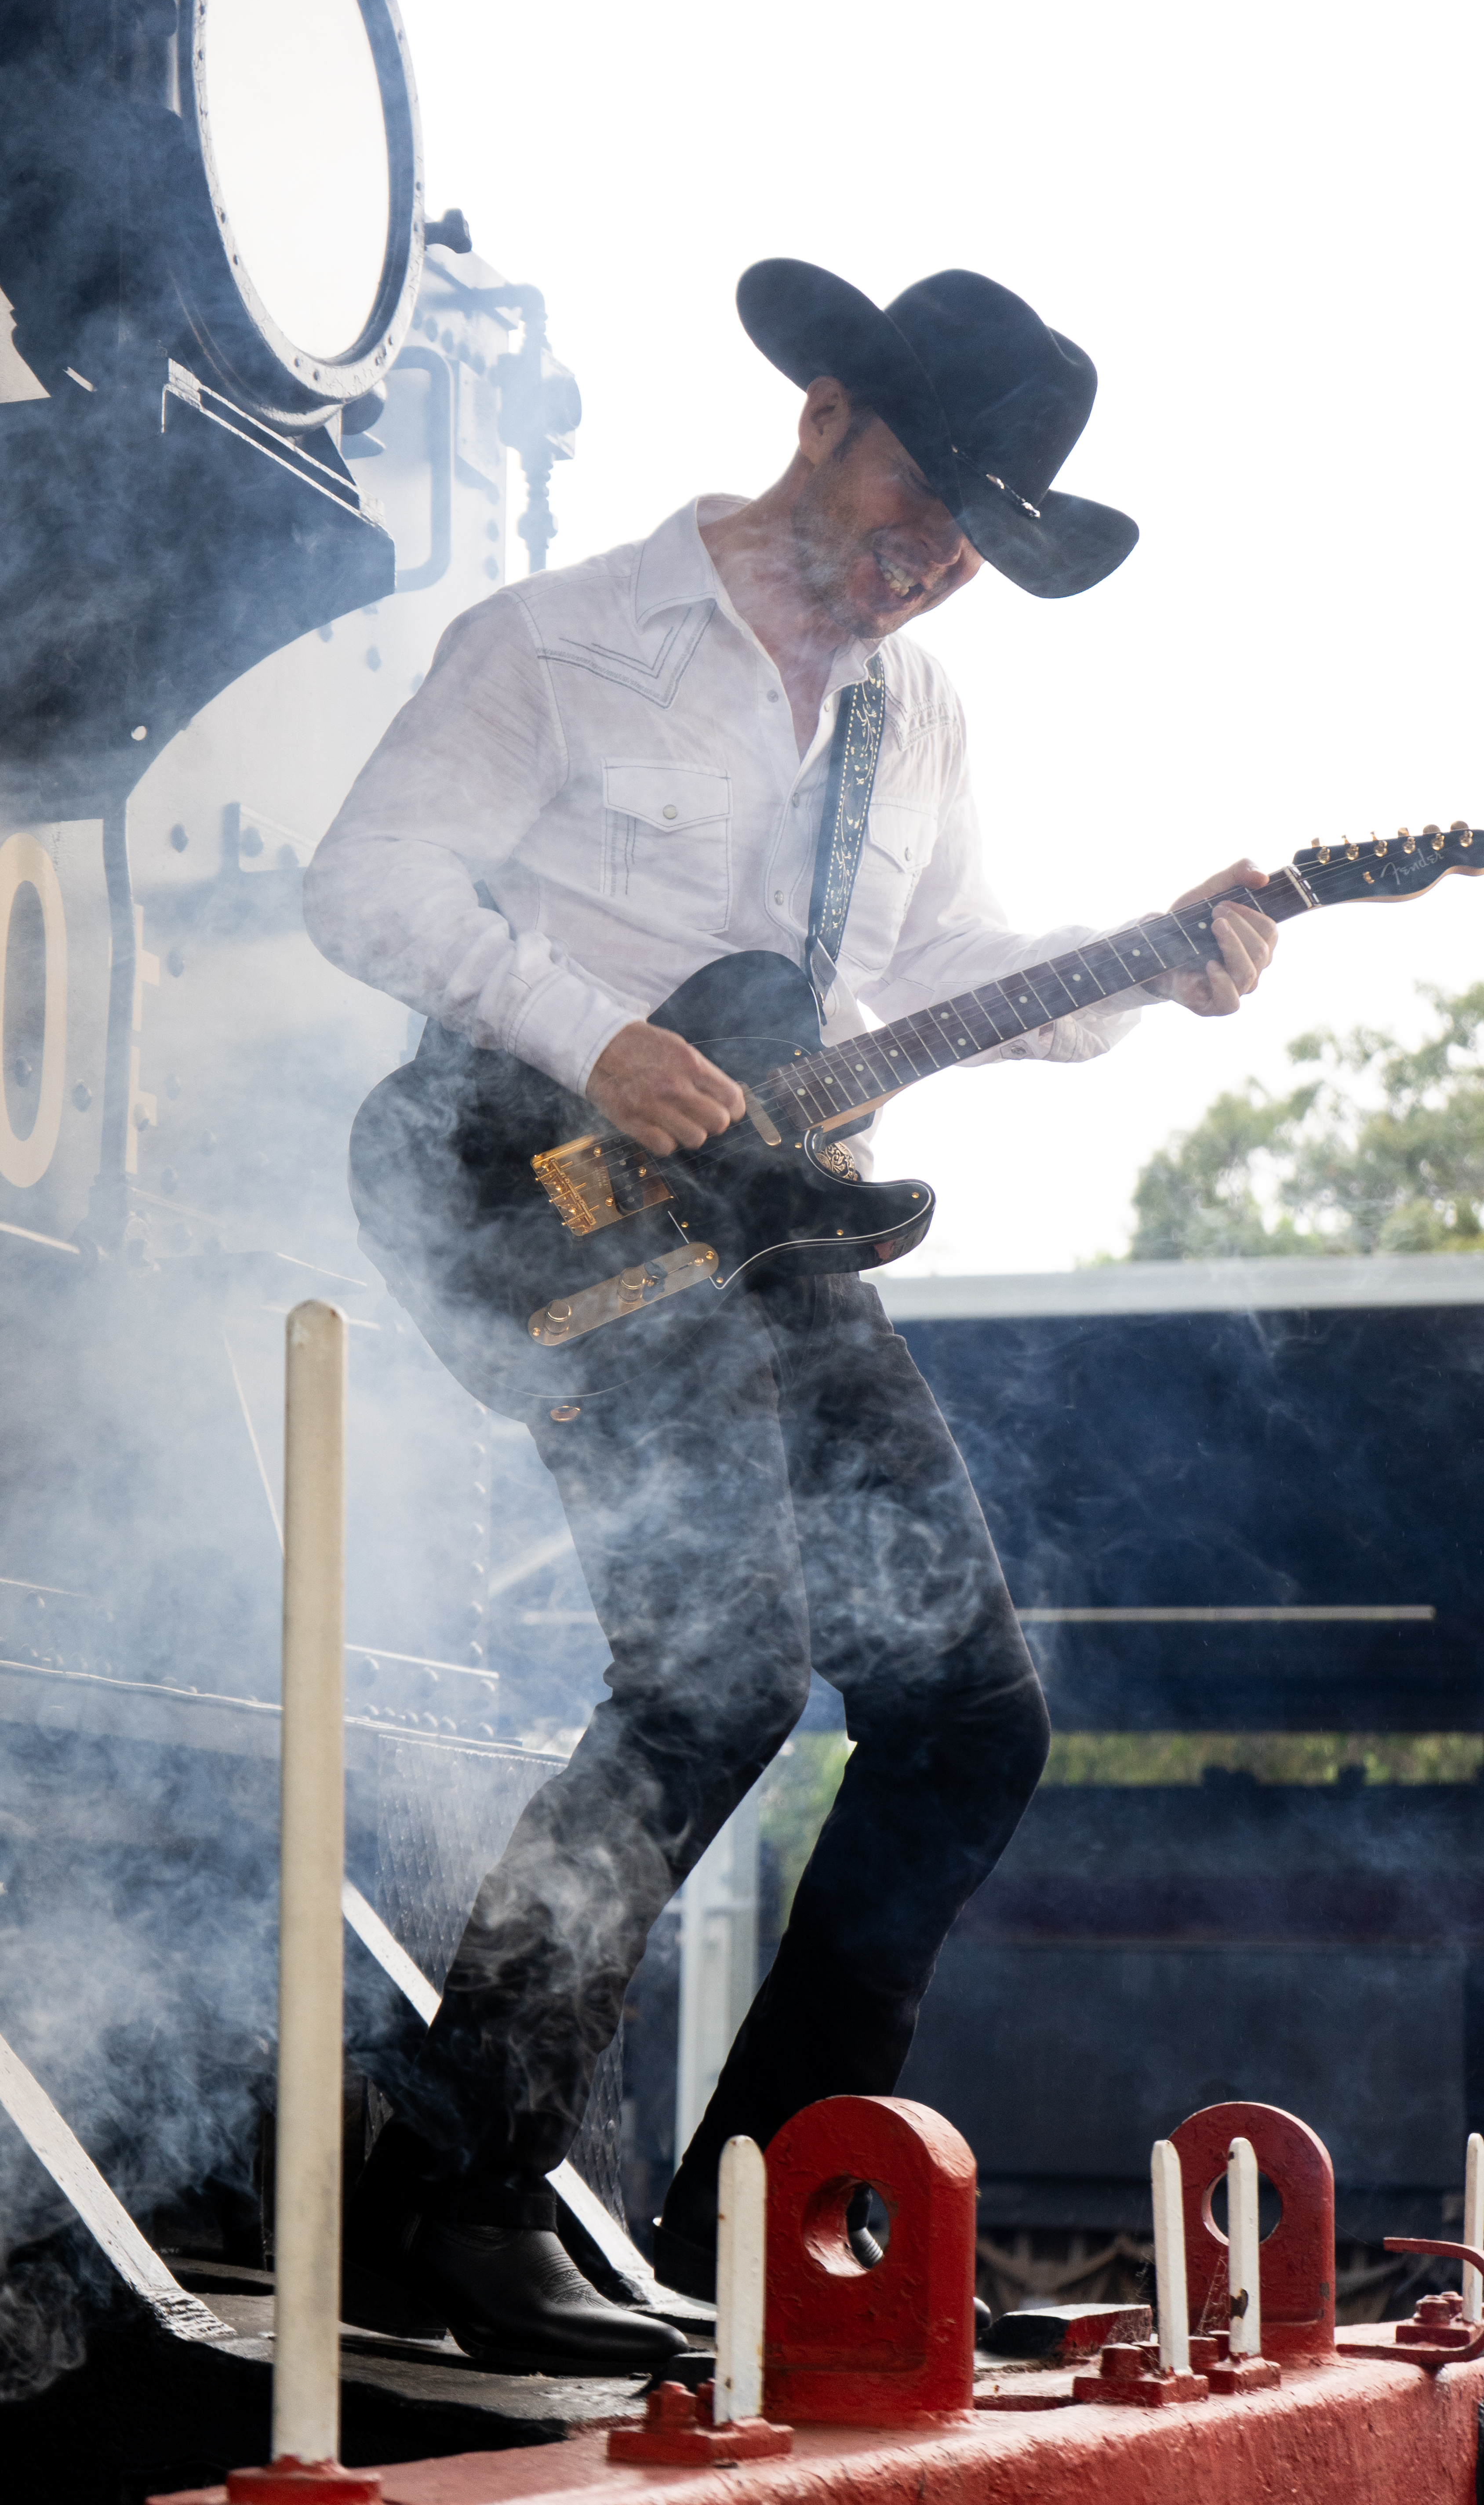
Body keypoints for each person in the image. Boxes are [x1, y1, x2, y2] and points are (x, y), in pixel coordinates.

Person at [304, 260, 1279, 2372]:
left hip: (778, 1230)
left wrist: (1148, 964)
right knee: (716, 1673)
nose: (930, 570)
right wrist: (594, 1038)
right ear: (824, 412)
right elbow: (365, 883)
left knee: (972, 1719)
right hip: (525, 1187)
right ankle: (439, 2196)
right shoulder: (558, 640)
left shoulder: (918, 712)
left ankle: (764, 2221)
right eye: (922, 505)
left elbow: (938, 979)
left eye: (973, 550)